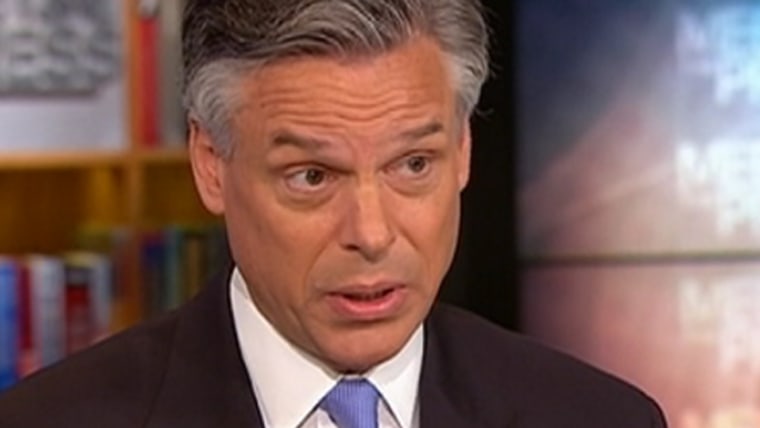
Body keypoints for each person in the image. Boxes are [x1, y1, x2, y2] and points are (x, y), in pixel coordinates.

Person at [0, 0, 668, 427]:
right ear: (210, 164)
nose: (372, 235)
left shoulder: (599, 417)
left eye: (413, 165)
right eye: (312, 177)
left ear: (463, 149)